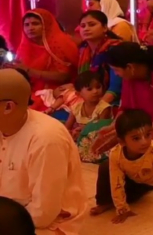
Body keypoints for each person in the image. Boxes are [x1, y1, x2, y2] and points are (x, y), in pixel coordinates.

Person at [0, 68, 88, 234]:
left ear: (8, 107)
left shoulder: (46, 140)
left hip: (49, 223)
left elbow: (43, 213)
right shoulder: (5, 125)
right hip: (10, 210)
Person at [89, 109, 153, 223]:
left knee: (131, 198)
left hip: (147, 183)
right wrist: (122, 208)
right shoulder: (116, 154)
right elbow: (116, 182)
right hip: (130, 176)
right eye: (136, 138)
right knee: (104, 167)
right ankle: (105, 203)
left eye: (148, 135)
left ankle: (114, 201)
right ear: (122, 142)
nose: (144, 142)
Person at [13, 9, 77, 111]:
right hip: (31, 90)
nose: (30, 28)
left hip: (58, 92)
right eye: (26, 25)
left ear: (46, 25)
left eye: (35, 23)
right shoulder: (24, 47)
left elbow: (64, 77)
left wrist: (29, 71)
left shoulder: (59, 44)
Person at [76, 10, 124, 105]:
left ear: (105, 28)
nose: (86, 29)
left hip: (115, 100)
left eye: (92, 25)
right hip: (92, 97)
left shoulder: (114, 49)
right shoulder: (84, 50)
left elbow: (116, 87)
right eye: (83, 26)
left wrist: (98, 107)